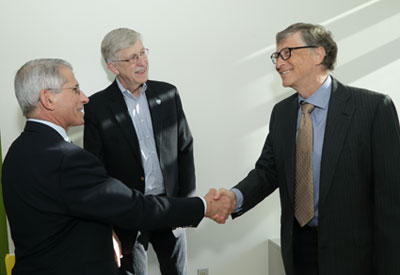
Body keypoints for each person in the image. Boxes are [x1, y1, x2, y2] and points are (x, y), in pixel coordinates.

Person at [2, 58, 232, 275]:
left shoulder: (16, 152)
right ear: (48, 99)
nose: (84, 98)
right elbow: (134, 207)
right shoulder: (66, 159)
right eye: (75, 89)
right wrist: (203, 206)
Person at [214, 23, 400, 275]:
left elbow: (392, 200)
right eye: (276, 56)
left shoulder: (373, 108)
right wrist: (235, 197)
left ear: (318, 54)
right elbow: (268, 171)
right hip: (298, 250)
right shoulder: (282, 114)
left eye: (286, 53)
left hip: (355, 256)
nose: (279, 63)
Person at [83, 28, 195, 275]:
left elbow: (185, 147)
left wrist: (186, 203)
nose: (142, 62)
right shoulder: (97, 108)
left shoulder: (167, 93)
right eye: (132, 58)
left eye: (142, 52)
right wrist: (109, 222)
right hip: (128, 212)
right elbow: (96, 171)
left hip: (169, 206)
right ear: (113, 67)